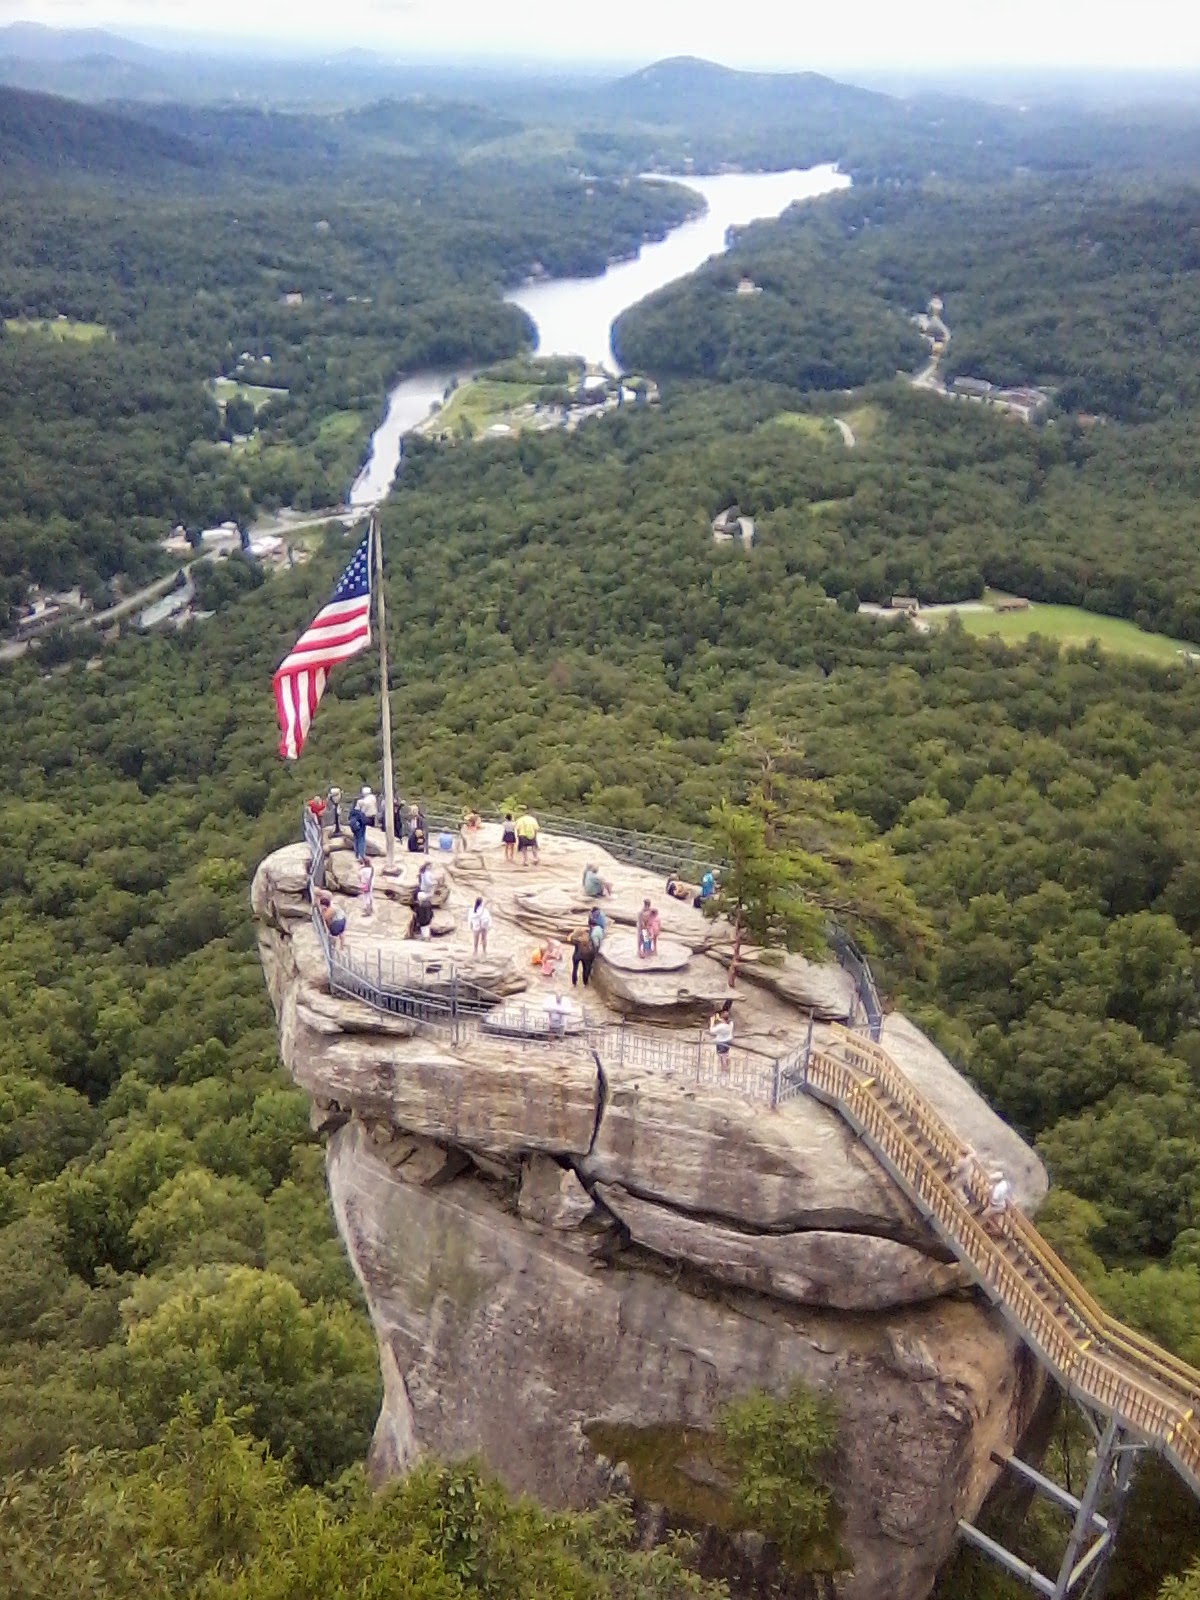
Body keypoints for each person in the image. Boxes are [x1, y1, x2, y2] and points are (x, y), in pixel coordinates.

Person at [982, 1170, 1013, 1237]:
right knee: (995, 1219)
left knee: (984, 1215)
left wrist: (989, 1192)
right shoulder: (1004, 1184)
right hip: (1002, 1205)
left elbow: (994, 1198)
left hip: (996, 1206)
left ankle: (996, 1229)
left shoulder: (998, 1190)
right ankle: (994, 1230)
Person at [709, 1000, 734, 1066]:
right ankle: (726, 1063)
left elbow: (712, 1031)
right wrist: (719, 1018)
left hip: (722, 1042)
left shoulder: (721, 1026)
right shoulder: (731, 1023)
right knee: (725, 1054)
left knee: (722, 1055)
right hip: (728, 1040)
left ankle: (724, 1067)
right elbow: (724, 1020)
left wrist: (712, 1022)